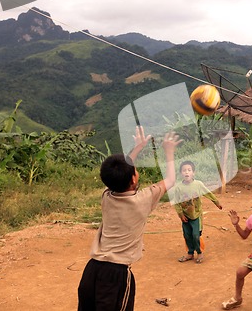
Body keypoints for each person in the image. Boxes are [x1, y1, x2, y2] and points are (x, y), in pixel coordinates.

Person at [77, 127, 181, 311]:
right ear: (133, 179)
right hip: (116, 275)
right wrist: (169, 151)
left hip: (91, 271)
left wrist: (137, 148)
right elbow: (171, 180)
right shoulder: (143, 200)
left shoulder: (106, 197)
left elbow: (120, 175)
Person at [173, 160, 223, 264]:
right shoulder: (178, 188)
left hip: (196, 216)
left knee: (196, 235)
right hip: (185, 217)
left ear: (193, 172)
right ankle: (190, 253)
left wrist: (216, 202)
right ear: (181, 173)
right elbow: (176, 202)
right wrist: (181, 215)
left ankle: (199, 252)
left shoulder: (198, 184)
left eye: (189, 170)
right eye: (184, 170)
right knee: (187, 235)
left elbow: (208, 193)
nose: (187, 172)